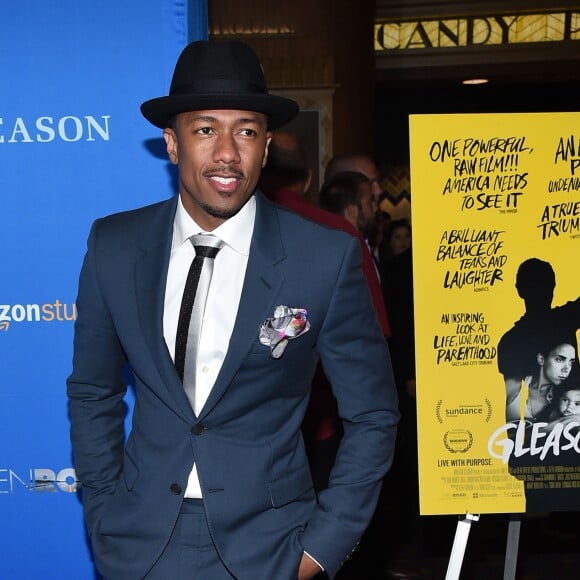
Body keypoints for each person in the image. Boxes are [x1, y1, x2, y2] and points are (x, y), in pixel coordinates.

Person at [66, 40, 398, 580]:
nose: (227, 152)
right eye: (205, 130)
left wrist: (322, 547)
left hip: (270, 549)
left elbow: (374, 415)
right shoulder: (115, 245)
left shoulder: (324, 258)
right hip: (140, 545)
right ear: (172, 144)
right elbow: (92, 391)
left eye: (246, 131)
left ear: (266, 148)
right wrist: (104, 516)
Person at [259, 132, 391, 495]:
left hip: (248, 435)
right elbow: (372, 336)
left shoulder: (224, 235)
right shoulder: (337, 236)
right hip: (326, 421)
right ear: (309, 180)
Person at [497, 258, 580, 422]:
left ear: (519, 290)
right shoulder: (566, 318)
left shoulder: (510, 341)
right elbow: (512, 401)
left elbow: (512, 401)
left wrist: (515, 445)